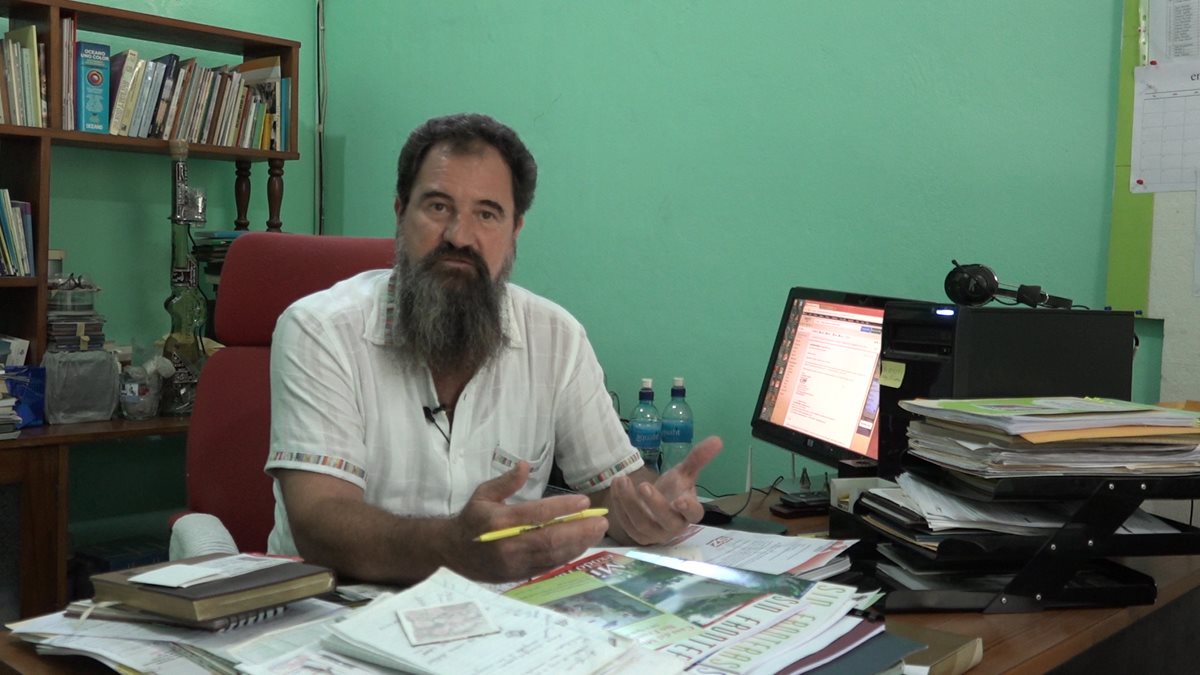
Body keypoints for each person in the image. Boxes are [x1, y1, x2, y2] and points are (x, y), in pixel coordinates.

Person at [265, 113, 722, 584]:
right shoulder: (320, 329)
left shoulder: (557, 337)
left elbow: (611, 492)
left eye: (487, 214)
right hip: (331, 610)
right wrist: (453, 550)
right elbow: (318, 521)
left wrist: (649, 508)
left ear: (515, 230)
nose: (460, 236)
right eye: (438, 207)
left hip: (501, 621)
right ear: (400, 213)